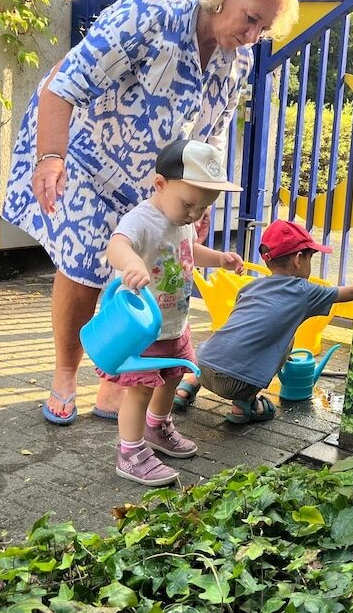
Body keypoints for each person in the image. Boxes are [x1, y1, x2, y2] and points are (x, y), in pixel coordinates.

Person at [0, 0, 300, 425]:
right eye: (250, 19)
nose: (253, 35)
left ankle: (114, 381)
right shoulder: (153, 11)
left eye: (264, 28)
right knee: (84, 268)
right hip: (85, 154)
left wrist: (198, 207)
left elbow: (211, 137)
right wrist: (51, 157)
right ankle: (64, 374)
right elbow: (66, 82)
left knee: (148, 271)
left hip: (153, 179)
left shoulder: (235, 60)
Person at [105, 139, 244, 485]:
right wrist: (132, 263)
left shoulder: (181, 218)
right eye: (190, 205)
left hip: (175, 326)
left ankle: (157, 427)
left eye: (203, 209)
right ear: (161, 185)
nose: (195, 215)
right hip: (144, 329)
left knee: (173, 377)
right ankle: (130, 452)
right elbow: (116, 245)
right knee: (139, 390)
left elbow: (188, 250)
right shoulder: (142, 220)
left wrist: (219, 259)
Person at [174, 220, 353, 423]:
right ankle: (244, 405)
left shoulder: (250, 288)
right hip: (239, 383)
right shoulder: (304, 291)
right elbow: (349, 293)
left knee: (230, 339)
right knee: (287, 339)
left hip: (201, 364)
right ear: (298, 259)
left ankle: (186, 387)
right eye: (310, 258)